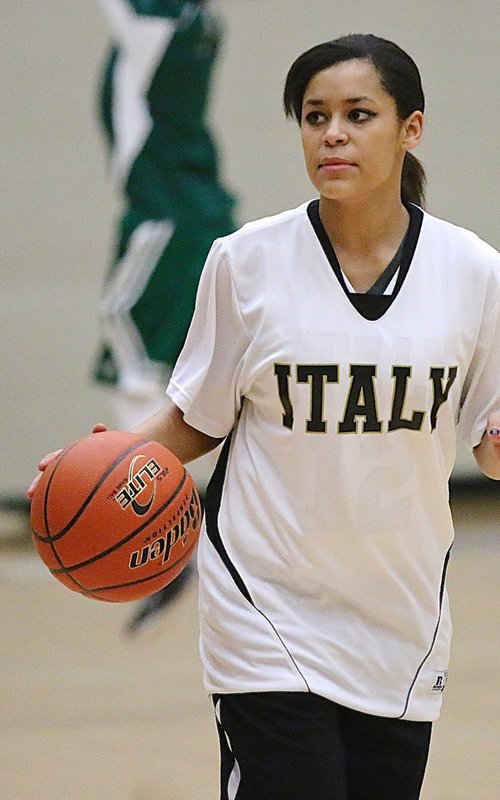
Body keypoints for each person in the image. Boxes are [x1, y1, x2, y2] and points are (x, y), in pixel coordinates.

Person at [31, 33, 500, 800]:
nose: (331, 133)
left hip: (399, 611)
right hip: (265, 605)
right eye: (314, 116)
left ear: (411, 128)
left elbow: (493, 442)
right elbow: (198, 417)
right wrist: (98, 459)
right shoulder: (245, 261)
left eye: (357, 114)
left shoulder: (473, 272)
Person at [92, 0, 238, 634]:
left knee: (132, 356)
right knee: (196, 378)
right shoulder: (197, 21)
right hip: (199, 217)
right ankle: (216, 529)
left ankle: (156, 527)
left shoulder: (154, 21)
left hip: (165, 220)